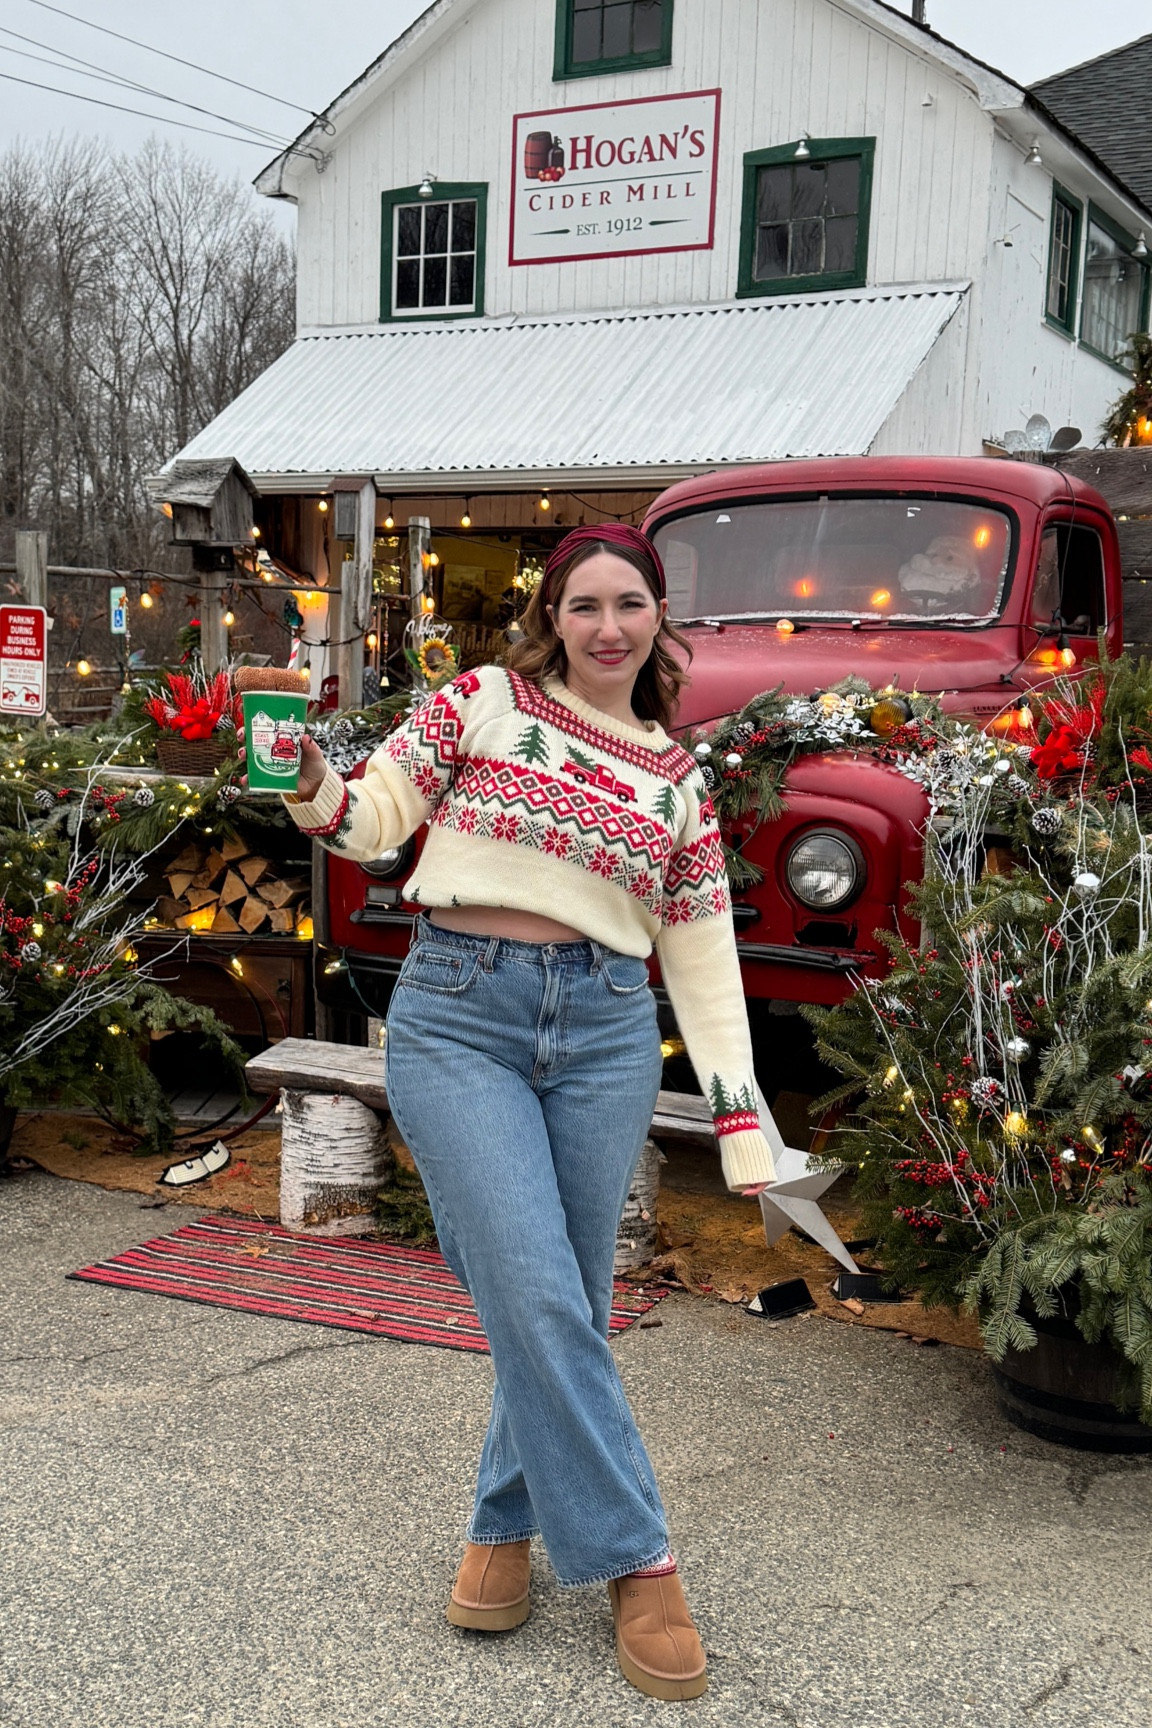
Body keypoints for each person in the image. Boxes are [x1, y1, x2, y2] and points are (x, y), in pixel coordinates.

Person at [267, 523, 778, 1701]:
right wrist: (313, 786)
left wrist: (744, 1118)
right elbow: (374, 818)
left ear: (658, 619)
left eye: (631, 605)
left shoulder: (676, 779)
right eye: (586, 604)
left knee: (569, 1297)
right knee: (539, 1287)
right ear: (554, 615)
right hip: (458, 1013)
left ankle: (503, 1526)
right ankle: (640, 1558)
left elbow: (702, 960)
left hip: (603, 1028)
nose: (609, 627)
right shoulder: (484, 702)